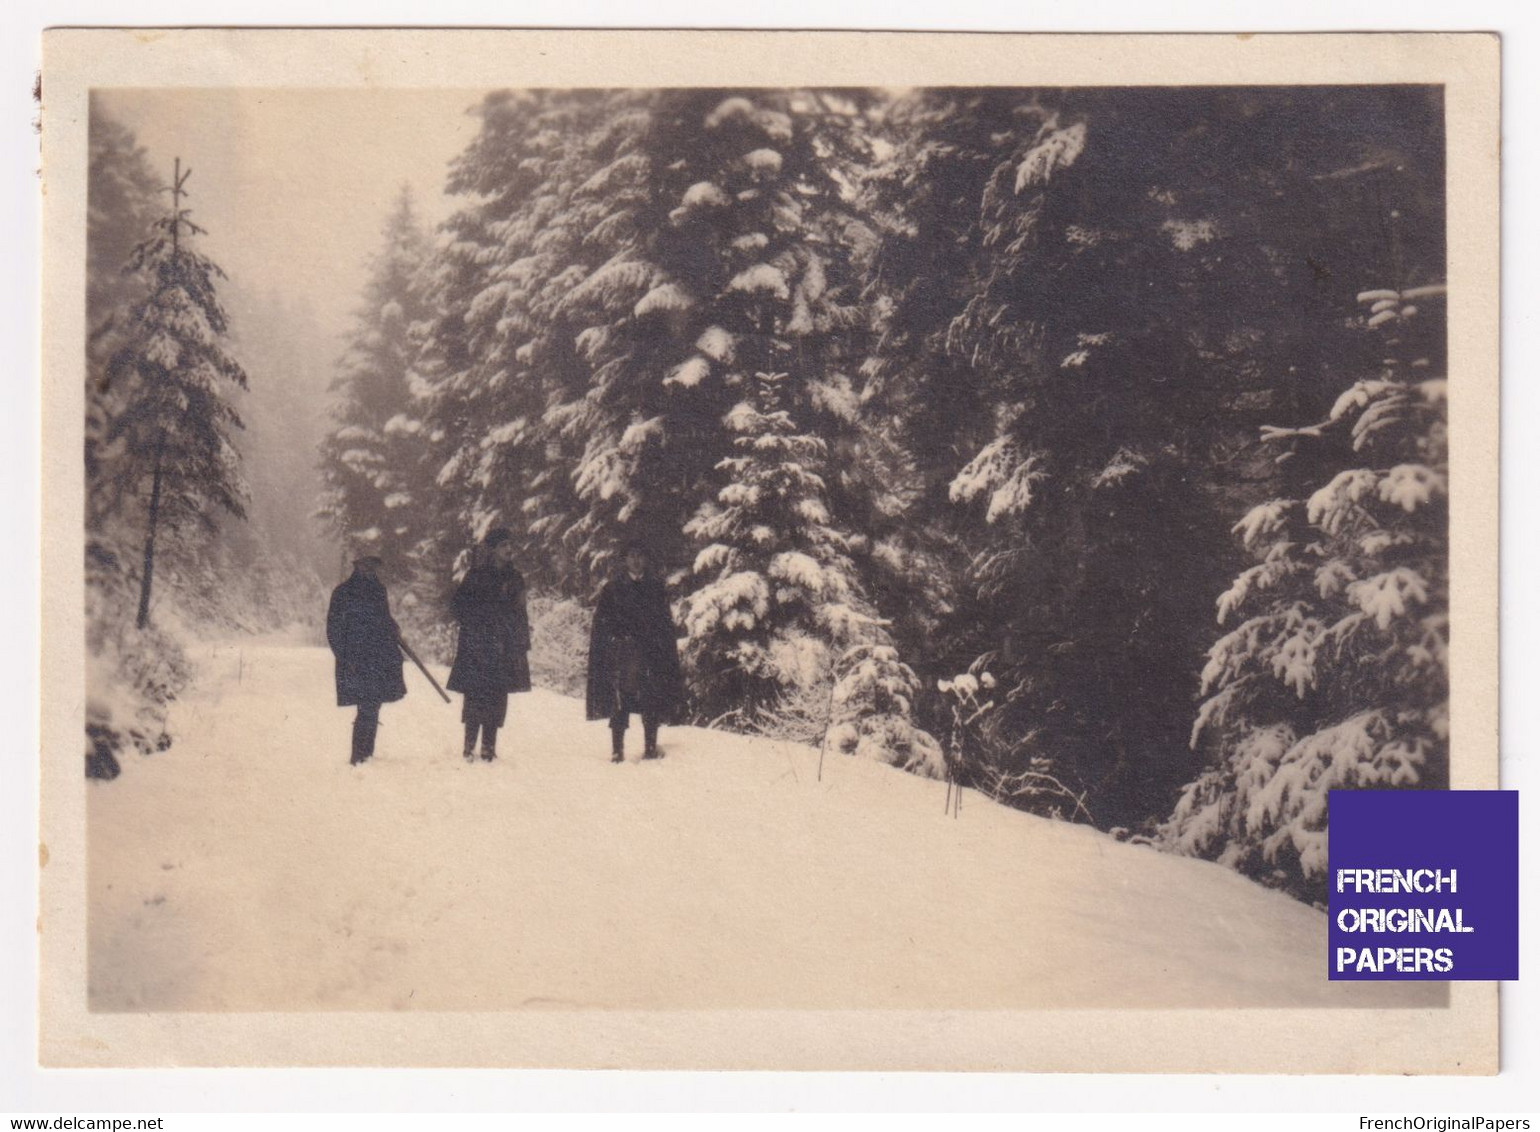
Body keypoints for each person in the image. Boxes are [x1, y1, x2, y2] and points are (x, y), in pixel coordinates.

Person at [586, 540, 685, 763]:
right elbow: (602, 622)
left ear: (646, 559)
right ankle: (617, 750)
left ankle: (650, 747)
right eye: (631, 556)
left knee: (650, 700)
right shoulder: (612, 588)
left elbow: (664, 622)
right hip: (622, 654)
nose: (636, 560)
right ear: (625, 560)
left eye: (640, 555)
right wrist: (615, 639)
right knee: (620, 701)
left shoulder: (656, 587)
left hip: (650, 654)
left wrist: (660, 646)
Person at [446, 527, 532, 762]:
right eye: (503, 545)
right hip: (477, 644)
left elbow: (520, 611)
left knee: (497, 695)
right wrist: (475, 622)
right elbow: (457, 606)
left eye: (510, 545)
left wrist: (521, 641)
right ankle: (469, 745)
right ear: (493, 550)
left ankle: (488, 746)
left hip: (503, 645)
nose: (509, 549)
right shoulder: (476, 575)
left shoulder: (515, 579)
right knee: (475, 694)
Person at [326, 553, 407, 766]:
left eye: (374, 566)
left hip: (379, 657)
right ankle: (358, 756)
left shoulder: (379, 590)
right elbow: (333, 629)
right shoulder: (343, 593)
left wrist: (393, 626)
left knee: (373, 704)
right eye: (367, 565)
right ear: (357, 566)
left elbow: (383, 618)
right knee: (366, 706)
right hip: (355, 658)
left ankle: (366, 755)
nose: (371, 570)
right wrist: (344, 657)